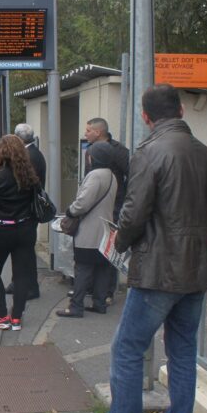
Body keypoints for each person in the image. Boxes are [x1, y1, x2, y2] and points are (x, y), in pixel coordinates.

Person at [103, 84, 207, 413]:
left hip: (158, 270)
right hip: (198, 270)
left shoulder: (149, 152)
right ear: (182, 110)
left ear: (145, 116)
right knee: (183, 354)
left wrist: (120, 243)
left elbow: (133, 214)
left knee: (126, 350)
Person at [0, 134, 41, 331]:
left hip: (1, 230)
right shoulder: (29, 175)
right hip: (25, 229)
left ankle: (1, 315)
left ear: (0, 151)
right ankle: (16, 318)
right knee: (22, 275)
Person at [56, 142, 116, 318]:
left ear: (94, 157)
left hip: (90, 231)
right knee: (102, 269)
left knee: (82, 269)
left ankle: (76, 306)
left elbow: (82, 203)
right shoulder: (112, 175)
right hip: (105, 230)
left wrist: (70, 211)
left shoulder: (95, 175)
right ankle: (99, 303)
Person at [84, 118, 130, 305]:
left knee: (110, 248)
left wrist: (123, 197)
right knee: (93, 245)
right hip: (94, 206)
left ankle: (107, 291)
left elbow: (131, 174)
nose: (85, 134)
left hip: (114, 206)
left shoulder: (118, 151)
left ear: (98, 132)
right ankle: (93, 288)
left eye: (88, 130)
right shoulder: (90, 149)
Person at [4, 123, 46, 300]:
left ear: (19, 138)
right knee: (22, 250)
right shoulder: (34, 153)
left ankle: (30, 287)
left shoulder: (29, 157)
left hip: (26, 210)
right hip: (27, 210)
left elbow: (26, 185)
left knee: (25, 251)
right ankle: (19, 282)